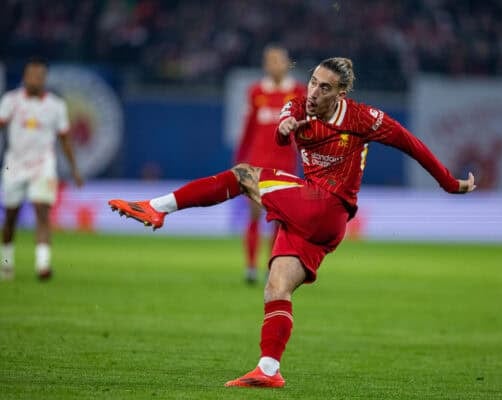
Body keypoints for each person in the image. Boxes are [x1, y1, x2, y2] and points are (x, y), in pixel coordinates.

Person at [108, 57, 476, 388]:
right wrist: (284, 127)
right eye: (313, 81)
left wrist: (448, 183)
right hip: (317, 219)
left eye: (325, 87)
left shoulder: (365, 119)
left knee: (243, 174)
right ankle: (268, 369)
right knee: (277, 286)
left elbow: (411, 144)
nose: (314, 91)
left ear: (342, 92)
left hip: (326, 207)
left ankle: (157, 207)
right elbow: (285, 120)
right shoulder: (300, 103)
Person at [0, 57, 83, 281]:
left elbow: (65, 140)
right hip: (14, 165)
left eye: (39, 76)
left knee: (42, 213)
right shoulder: (11, 101)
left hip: (43, 165)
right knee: (10, 218)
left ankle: (43, 265)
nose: (35, 79)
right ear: (25, 77)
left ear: (44, 78)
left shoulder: (56, 105)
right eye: (31, 75)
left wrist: (74, 169)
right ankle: (6, 263)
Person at [235, 45, 305, 283]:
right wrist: (240, 160)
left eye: (279, 60)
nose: (275, 65)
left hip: (285, 164)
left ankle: (271, 268)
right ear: (265, 65)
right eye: (270, 61)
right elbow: (248, 129)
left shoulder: (297, 91)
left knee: (279, 219)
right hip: (257, 163)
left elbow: (305, 131)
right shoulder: (256, 92)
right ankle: (251, 267)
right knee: (254, 215)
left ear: (286, 63)